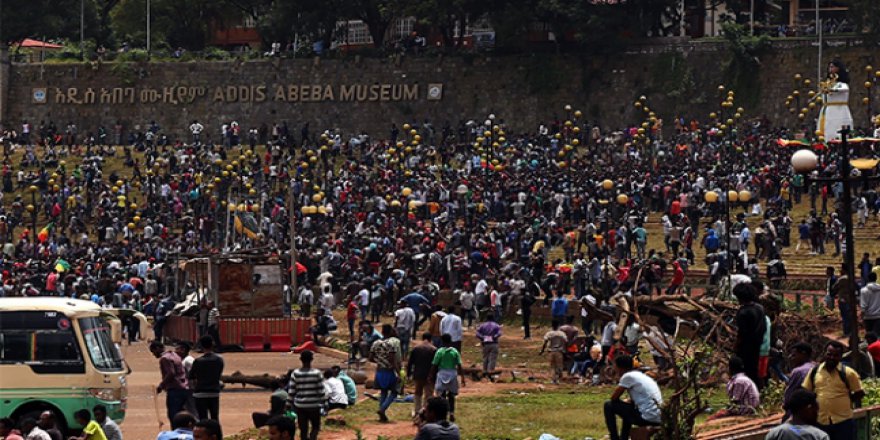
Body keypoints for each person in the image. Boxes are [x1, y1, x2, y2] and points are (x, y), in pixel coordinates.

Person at [802, 341, 864, 440]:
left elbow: (859, 392)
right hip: (821, 421)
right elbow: (806, 392)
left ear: (840, 357)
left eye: (836, 355)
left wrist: (846, 401)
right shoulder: (814, 372)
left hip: (843, 421)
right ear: (824, 353)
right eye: (829, 354)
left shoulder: (848, 373)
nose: (832, 358)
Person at [603, 354, 662, 440]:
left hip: (647, 417)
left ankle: (614, 437)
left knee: (608, 405)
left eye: (615, 366)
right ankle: (624, 437)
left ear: (620, 367)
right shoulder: (639, 375)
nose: (614, 368)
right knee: (628, 410)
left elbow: (614, 398)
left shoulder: (627, 377)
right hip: (656, 416)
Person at [287, 350, 326, 440]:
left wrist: (288, 404)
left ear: (301, 359)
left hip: (300, 406)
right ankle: (312, 438)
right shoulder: (317, 373)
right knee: (315, 427)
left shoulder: (296, 373)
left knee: (303, 429)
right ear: (312, 359)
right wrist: (324, 403)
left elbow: (292, 391)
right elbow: (321, 390)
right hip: (314, 405)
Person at [734, 283, 767, 386]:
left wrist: (736, 346)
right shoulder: (760, 308)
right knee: (755, 371)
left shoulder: (743, 312)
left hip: (746, 347)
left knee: (746, 371)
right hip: (759, 345)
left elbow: (742, 333)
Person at [765, 389, 830, 440]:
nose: (817, 414)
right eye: (815, 409)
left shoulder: (774, 434)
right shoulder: (819, 436)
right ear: (808, 409)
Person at [150, 340, 189, 423]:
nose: (153, 354)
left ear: (157, 348)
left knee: (173, 415)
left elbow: (171, 373)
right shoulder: (175, 355)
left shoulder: (164, 358)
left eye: (153, 352)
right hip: (184, 388)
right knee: (182, 414)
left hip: (175, 389)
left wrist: (161, 386)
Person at [430, 334, 466, 422]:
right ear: (451, 341)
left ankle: (443, 414)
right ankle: (452, 412)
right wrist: (462, 378)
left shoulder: (439, 352)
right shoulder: (454, 351)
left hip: (442, 373)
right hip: (452, 374)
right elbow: (459, 365)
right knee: (451, 395)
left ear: (442, 341)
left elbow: (434, 365)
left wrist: (431, 375)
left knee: (441, 396)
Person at [370, 324, 402, 422]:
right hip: (389, 371)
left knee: (383, 391)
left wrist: (380, 361)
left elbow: (370, 358)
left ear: (382, 332)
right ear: (391, 332)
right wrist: (398, 373)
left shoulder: (376, 343)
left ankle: (382, 416)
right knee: (395, 392)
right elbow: (392, 359)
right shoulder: (391, 344)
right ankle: (382, 409)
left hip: (379, 370)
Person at [189, 336, 225, 421]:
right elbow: (219, 373)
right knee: (215, 417)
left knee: (202, 418)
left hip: (200, 392)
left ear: (201, 346)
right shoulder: (219, 360)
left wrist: (194, 387)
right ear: (212, 344)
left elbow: (191, 377)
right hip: (214, 392)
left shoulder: (198, 361)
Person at [783, 342, 817, 421]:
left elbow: (789, 395)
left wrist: (786, 406)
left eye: (794, 355)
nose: (791, 357)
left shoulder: (799, 371)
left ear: (803, 354)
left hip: (800, 411)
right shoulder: (816, 366)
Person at [407, 332, 438, 416]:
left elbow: (410, 363)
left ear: (422, 338)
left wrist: (408, 374)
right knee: (428, 395)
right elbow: (436, 364)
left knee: (418, 393)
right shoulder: (434, 349)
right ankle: (426, 412)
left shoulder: (416, 348)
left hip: (418, 374)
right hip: (429, 375)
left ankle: (417, 411)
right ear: (430, 339)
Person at [540, 319, 568, 384]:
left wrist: (542, 350)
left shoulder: (549, 333)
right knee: (559, 366)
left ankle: (553, 379)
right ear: (558, 326)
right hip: (559, 352)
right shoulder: (561, 334)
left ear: (552, 326)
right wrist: (565, 350)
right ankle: (558, 379)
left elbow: (545, 342)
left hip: (551, 351)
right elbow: (566, 342)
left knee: (552, 366)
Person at [475, 315, 501, 379]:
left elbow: (477, 333)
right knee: (492, 359)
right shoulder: (496, 325)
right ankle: (490, 373)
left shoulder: (483, 325)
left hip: (485, 344)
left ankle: (484, 372)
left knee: (485, 358)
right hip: (494, 343)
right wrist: (494, 337)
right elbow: (499, 333)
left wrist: (483, 337)